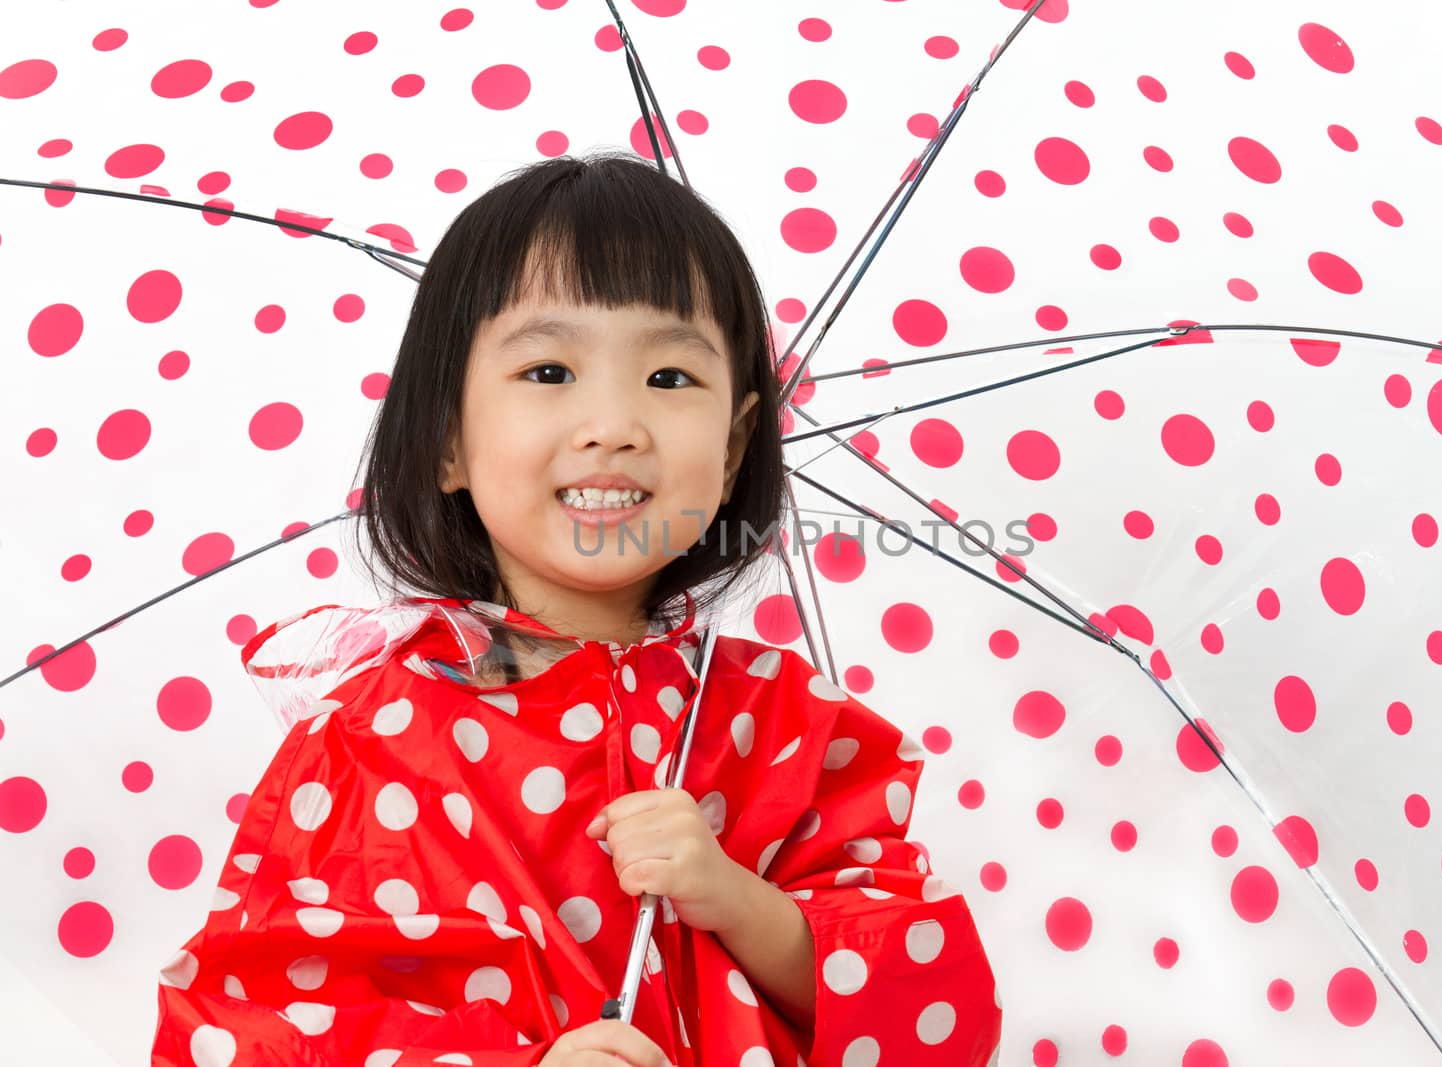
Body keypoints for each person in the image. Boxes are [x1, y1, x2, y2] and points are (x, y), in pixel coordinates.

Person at [149, 152, 1001, 1067]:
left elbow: (939, 1025)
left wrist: (734, 899)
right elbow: (260, 1026)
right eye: (549, 371)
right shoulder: (376, 738)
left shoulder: (787, 725)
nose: (614, 424)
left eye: (669, 380)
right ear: (448, 441)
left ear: (733, 445)